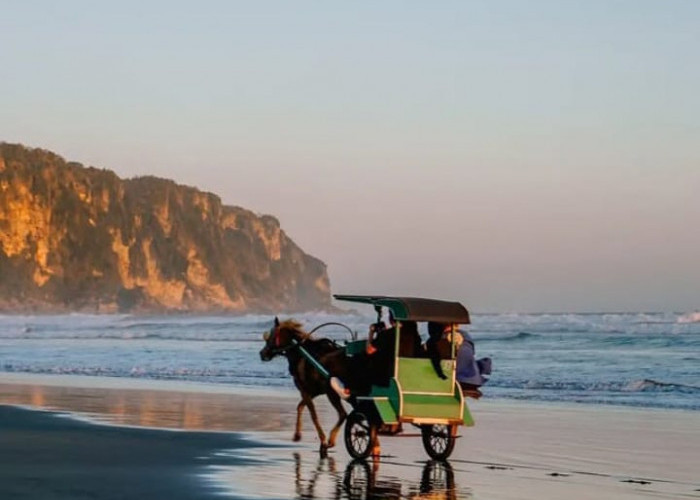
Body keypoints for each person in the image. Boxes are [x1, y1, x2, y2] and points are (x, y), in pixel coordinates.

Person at [330, 311, 421, 400]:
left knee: (356, 360)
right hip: (408, 375)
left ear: (391, 319)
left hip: (386, 376)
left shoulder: (387, 334)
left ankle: (348, 390)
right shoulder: (416, 337)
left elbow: (369, 351)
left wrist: (372, 332)